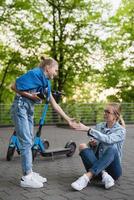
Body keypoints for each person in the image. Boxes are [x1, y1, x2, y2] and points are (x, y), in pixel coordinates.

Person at [10, 56, 76, 189]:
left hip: (28, 109)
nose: (56, 74)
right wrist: (31, 96)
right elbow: (13, 86)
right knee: (26, 141)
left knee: (29, 140)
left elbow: (54, 104)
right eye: (55, 70)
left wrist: (68, 119)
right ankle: (26, 177)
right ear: (48, 68)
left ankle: (30, 172)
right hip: (21, 107)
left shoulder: (46, 82)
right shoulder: (34, 74)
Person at [71, 103, 126, 191]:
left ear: (116, 115)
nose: (105, 113)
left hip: (113, 171)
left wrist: (88, 129)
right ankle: (104, 174)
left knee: (112, 148)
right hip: (97, 166)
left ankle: (86, 177)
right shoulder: (99, 126)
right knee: (82, 146)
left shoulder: (121, 130)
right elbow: (94, 140)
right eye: (104, 111)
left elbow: (108, 139)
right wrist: (93, 143)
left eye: (108, 112)